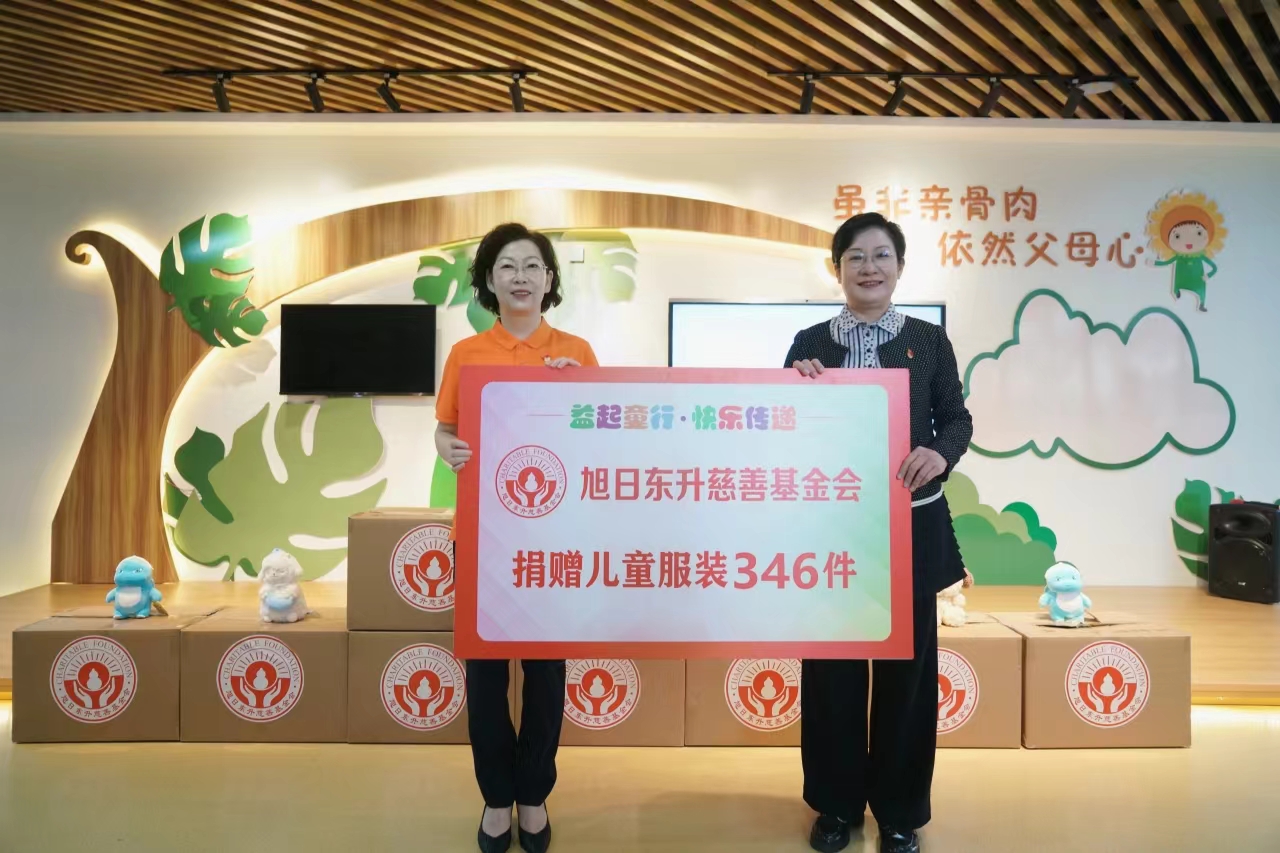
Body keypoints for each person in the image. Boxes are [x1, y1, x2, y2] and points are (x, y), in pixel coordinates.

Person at [786, 213, 973, 853]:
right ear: (836, 268)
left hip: (911, 526)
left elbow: (956, 418)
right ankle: (835, 806)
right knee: (831, 675)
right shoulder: (810, 341)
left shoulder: (928, 339)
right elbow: (783, 426)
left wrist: (939, 453)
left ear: (899, 266)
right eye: (856, 257)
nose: (869, 267)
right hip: (832, 529)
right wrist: (796, 389)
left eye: (882, 255)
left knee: (907, 678)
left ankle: (899, 812)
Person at [434, 222, 599, 853]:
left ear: (550, 279)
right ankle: (495, 797)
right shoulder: (466, 353)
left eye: (533, 265)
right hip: (482, 536)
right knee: (483, 675)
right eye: (507, 266)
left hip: (554, 540)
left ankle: (533, 793)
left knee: (546, 672)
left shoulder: (577, 351)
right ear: (489, 280)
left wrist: (575, 392)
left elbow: (603, 438)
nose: (521, 276)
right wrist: (448, 449)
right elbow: (447, 429)